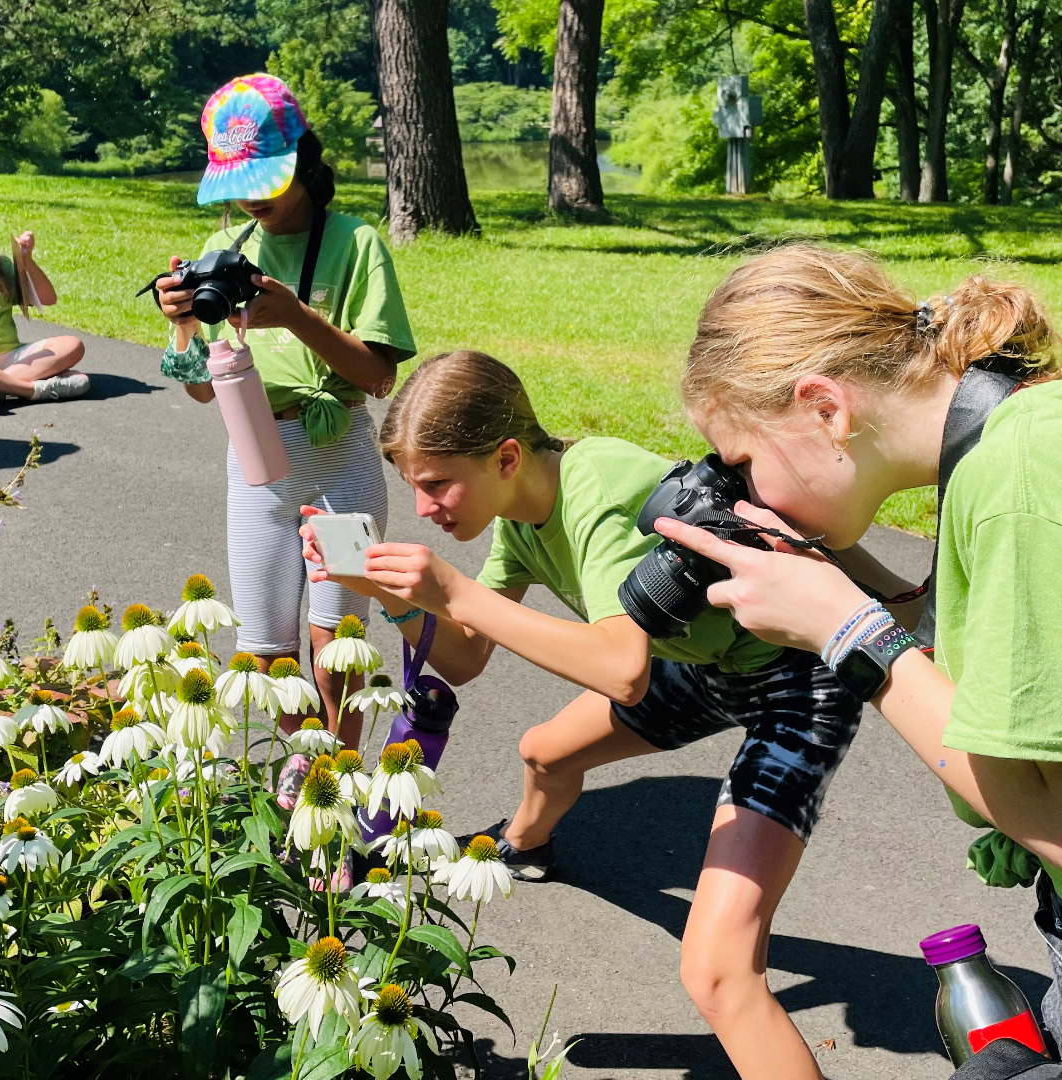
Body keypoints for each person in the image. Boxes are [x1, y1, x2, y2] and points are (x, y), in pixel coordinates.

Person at [302, 349, 864, 1080]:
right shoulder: (520, 515)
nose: (424, 510)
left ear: (506, 456)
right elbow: (467, 658)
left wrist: (454, 591)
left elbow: (622, 672)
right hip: (705, 665)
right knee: (545, 753)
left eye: (437, 485)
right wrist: (389, 592)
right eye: (414, 487)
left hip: (796, 683)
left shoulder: (595, 488)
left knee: (721, 973)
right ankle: (526, 848)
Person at [651, 243, 1062, 1051]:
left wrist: (849, 634)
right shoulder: (1004, 447)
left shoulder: (1020, 479)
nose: (747, 497)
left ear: (825, 408)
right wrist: (837, 575)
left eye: (742, 463)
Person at [154, 74, 415, 756]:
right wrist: (182, 327)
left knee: (339, 641)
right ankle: (307, 779)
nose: (253, 195)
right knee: (266, 647)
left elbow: (380, 376)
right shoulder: (231, 253)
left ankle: (348, 776)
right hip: (258, 464)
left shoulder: (355, 243)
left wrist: (297, 317)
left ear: (303, 158)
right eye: (240, 180)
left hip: (344, 464)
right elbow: (203, 391)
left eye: (266, 176)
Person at [0, 217, 88, 412]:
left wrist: (26, 261)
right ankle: (32, 389)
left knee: (72, 345)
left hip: (12, 356)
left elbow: (47, 298)